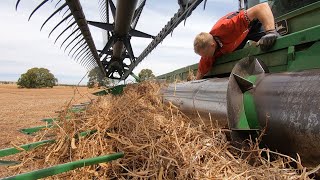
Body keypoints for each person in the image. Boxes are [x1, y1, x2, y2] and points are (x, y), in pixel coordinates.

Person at [193, 2, 279, 80]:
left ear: (212, 45)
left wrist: (270, 32)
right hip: (235, 41)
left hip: (249, 28)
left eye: (205, 55)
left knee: (273, 41)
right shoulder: (208, 51)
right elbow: (201, 72)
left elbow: (262, 7)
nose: (205, 57)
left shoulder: (227, 27)